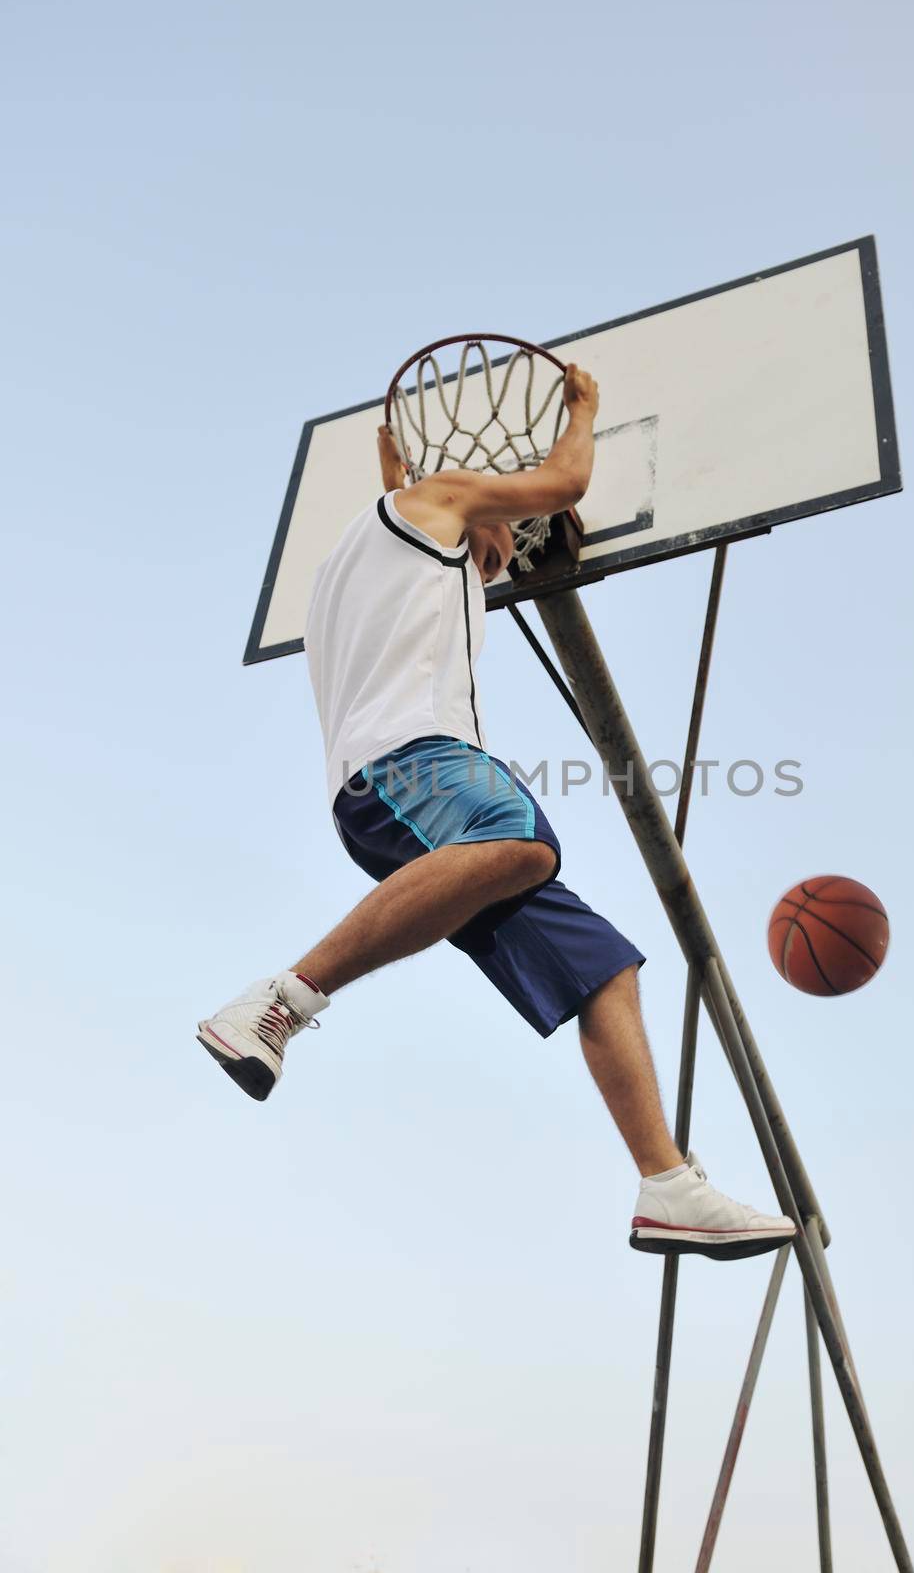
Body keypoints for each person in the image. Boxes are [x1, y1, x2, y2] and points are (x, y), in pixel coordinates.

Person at [197, 364, 794, 1260]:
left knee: (604, 968)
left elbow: (450, 526)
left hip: (391, 806)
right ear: (464, 501)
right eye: (508, 523)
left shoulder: (371, 565)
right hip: (414, 766)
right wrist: (583, 411)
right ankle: (277, 1002)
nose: (515, 540)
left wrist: (418, 485)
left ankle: (666, 1183)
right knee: (521, 839)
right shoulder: (430, 502)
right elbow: (564, 483)